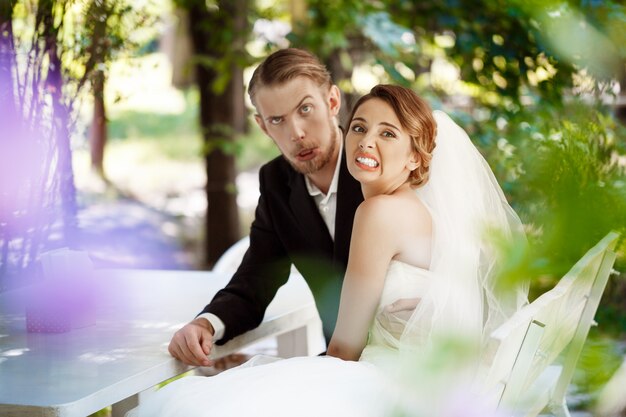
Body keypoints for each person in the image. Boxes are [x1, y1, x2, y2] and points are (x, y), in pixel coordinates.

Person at [129, 84, 528, 417]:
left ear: (415, 157)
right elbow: (259, 273)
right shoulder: (417, 210)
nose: (367, 141)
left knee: (203, 403)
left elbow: (344, 349)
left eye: (388, 134)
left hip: (394, 385)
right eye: (360, 128)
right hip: (424, 379)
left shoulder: (378, 213)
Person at [168, 48, 364, 367]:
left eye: (305, 109)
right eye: (277, 120)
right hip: (339, 365)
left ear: (332, 102)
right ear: (263, 126)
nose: (296, 133)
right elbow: (256, 278)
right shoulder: (275, 182)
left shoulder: (376, 165)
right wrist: (205, 323)